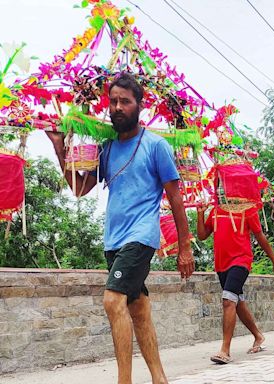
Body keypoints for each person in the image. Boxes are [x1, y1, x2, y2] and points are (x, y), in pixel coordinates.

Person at [46, 72, 194, 384]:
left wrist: (185, 247)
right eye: (112, 101)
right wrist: (60, 148)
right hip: (113, 239)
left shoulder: (157, 146)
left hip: (141, 236)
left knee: (113, 301)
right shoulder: (107, 148)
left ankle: (123, 381)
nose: (117, 107)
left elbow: (176, 199)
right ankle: (159, 379)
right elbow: (80, 188)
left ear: (139, 106)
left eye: (124, 102)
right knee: (138, 308)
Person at [197, 204, 274, 365]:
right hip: (221, 265)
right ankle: (258, 336)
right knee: (238, 303)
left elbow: (260, 237)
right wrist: (200, 214)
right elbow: (202, 235)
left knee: (228, 300)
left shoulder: (248, 209)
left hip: (241, 261)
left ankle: (225, 350)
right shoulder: (216, 210)